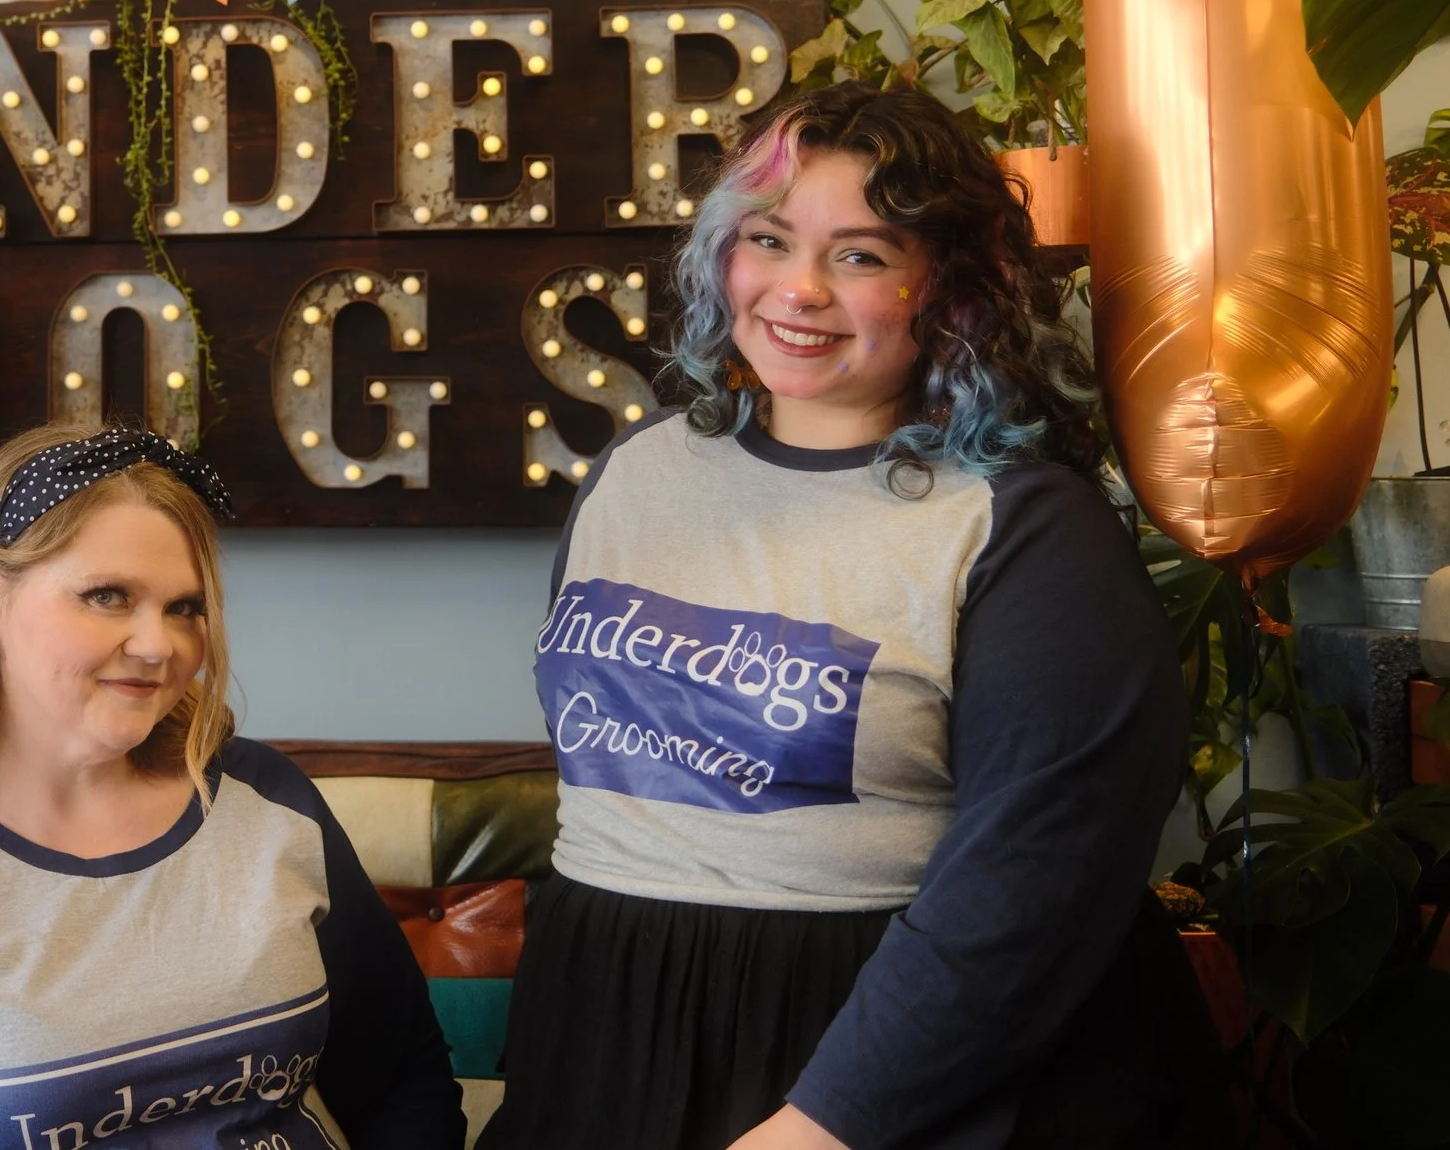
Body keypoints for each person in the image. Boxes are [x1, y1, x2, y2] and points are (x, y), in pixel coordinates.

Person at [483, 84, 1225, 1150]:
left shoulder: (1023, 526)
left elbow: (1040, 871)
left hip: (880, 1062)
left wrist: (825, 1123)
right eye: (769, 239)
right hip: (607, 1028)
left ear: (950, 288)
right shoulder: (637, 471)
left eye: (861, 255)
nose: (799, 288)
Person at [0, 425, 466, 1150]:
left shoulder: (269, 799)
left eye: (184, 607)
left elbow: (403, 1080)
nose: (159, 645)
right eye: (107, 596)